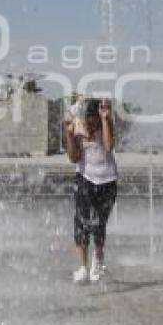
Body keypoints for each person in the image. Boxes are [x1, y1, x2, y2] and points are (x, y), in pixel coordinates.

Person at [64, 99, 118, 283]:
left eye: (92, 118)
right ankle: (82, 268)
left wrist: (105, 119)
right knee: (81, 222)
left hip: (107, 180)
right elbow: (73, 158)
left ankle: (98, 257)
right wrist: (70, 136)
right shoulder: (77, 128)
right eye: (86, 118)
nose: (88, 122)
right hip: (84, 178)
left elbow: (109, 146)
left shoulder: (104, 125)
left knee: (99, 223)